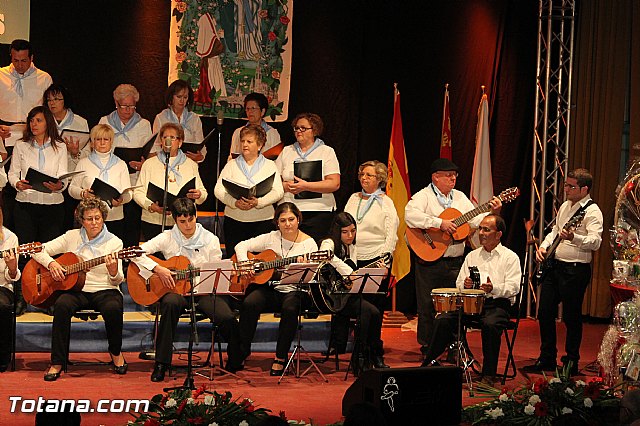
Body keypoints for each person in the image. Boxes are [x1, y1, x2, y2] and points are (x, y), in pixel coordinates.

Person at [133, 198, 243, 381]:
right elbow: (137, 253)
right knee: (169, 304)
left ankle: (235, 359)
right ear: (175, 220)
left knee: (227, 317)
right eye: (182, 221)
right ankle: (161, 363)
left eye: (191, 219)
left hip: (203, 291)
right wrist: (158, 269)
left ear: (196, 216)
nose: (188, 225)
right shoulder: (167, 237)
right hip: (176, 291)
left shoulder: (210, 239)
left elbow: (217, 270)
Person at [404, 158, 501, 358]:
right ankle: (428, 348)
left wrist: (492, 211)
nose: (453, 178)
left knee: (456, 307)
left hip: (456, 261)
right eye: (448, 175)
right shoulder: (423, 196)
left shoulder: (460, 197)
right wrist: (439, 223)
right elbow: (410, 216)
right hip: (429, 259)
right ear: (435, 177)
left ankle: (453, 347)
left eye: (454, 175)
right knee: (427, 307)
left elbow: (475, 219)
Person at [30, 198, 126, 381]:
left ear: (103, 218)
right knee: (61, 305)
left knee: (113, 307)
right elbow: (37, 250)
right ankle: (57, 361)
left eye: (98, 218)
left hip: (105, 288)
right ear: (81, 220)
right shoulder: (71, 236)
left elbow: (117, 280)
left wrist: (113, 271)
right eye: (89, 219)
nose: (94, 222)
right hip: (76, 289)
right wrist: (52, 264)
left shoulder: (115, 242)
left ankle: (116, 352)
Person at [421, 214, 521, 386]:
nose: (481, 233)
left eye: (486, 230)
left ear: (498, 234)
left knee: (490, 324)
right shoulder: (472, 256)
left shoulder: (510, 257)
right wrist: (465, 285)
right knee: (443, 318)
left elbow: (514, 287)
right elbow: (459, 283)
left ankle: (488, 374)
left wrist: (493, 288)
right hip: (470, 303)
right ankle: (428, 365)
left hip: (497, 304)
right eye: (480, 228)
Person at [522, 168, 603, 375]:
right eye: (565, 185)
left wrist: (574, 238)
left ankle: (571, 361)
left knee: (571, 316)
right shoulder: (566, 206)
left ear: (584, 189)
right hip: (556, 265)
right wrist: (543, 247)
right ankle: (547, 357)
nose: (565, 189)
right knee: (544, 312)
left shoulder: (592, 212)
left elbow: (595, 242)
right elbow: (555, 232)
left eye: (571, 186)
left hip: (575, 269)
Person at [235, 202, 318, 375]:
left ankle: (281, 356)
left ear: (298, 220)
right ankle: (241, 353)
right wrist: (244, 263)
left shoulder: (309, 244)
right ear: (277, 223)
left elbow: (313, 275)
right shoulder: (271, 237)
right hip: (271, 288)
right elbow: (241, 245)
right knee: (250, 303)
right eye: (283, 220)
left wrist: (304, 266)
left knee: (290, 308)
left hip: (296, 290)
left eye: (291, 219)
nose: (287, 224)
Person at [8, 106, 68, 315]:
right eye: (31, 120)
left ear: (48, 123)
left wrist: (59, 186)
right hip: (26, 204)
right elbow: (13, 173)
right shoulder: (21, 145)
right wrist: (18, 183)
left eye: (39, 120)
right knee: (25, 252)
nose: (34, 124)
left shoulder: (59, 146)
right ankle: (22, 297)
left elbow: (64, 176)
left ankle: (48, 298)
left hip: (52, 206)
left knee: (49, 252)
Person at [319, 212, 388, 369]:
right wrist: (349, 272)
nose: (350, 235)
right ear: (337, 231)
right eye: (345, 232)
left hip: (347, 295)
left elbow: (354, 276)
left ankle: (371, 354)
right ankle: (361, 358)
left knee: (375, 311)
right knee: (368, 312)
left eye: (353, 231)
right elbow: (326, 256)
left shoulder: (353, 247)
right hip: (332, 297)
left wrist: (376, 272)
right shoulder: (328, 243)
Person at [214, 124, 284, 257]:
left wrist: (259, 202)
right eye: (242, 141)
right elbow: (218, 190)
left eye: (249, 141)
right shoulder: (232, 164)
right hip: (235, 221)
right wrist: (234, 202)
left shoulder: (270, 165)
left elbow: (278, 191)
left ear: (260, 145)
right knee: (235, 261)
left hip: (262, 222)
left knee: (261, 263)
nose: (245, 144)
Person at [99, 83, 153, 248]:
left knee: (132, 222)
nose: (128, 110)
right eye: (124, 106)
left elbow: (149, 152)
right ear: (116, 103)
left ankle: (130, 258)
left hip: (133, 179)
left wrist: (143, 164)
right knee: (111, 222)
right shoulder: (105, 121)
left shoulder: (143, 124)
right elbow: (96, 147)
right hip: (110, 180)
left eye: (132, 106)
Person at [133, 122, 207, 241]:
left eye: (172, 137)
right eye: (165, 137)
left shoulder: (191, 165)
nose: (168, 141)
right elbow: (138, 192)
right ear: (161, 141)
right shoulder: (149, 163)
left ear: (180, 142)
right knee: (155, 258)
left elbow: (203, 193)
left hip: (183, 221)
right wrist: (151, 206)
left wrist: (198, 195)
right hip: (154, 220)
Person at [275, 113, 340, 243]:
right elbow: (274, 181)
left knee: (313, 254)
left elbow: (334, 184)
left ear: (314, 130)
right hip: (290, 211)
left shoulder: (326, 151)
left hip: (318, 212)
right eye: (296, 128)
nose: (299, 131)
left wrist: (305, 186)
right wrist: (284, 186)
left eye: (303, 128)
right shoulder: (287, 151)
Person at [69, 125, 132, 241]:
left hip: (115, 217)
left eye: (106, 139)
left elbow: (129, 194)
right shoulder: (84, 163)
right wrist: (83, 194)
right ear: (92, 142)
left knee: (113, 254)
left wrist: (121, 200)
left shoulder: (121, 164)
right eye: (98, 139)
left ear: (111, 142)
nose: (102, 143)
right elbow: (72, 188)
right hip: (90, 219)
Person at [0, 39, 53, 146]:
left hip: (33, 130)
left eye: (24, 61)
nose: (19, 65)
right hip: (4, 130)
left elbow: (50, 109)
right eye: (16, 60)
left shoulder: (44, 78)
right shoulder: (1, 75)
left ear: (31, 58)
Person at [152, 79, 206, 163]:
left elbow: (201, 146)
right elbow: (156, 146)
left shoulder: (194, 119)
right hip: (166, 164)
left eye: (185, 97)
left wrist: (199, 157)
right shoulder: (161, 118)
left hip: (189, 163)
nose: (182, 101)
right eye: (179, 97)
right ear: (171, 97)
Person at [228, 93, 282, 161]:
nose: (250, 112)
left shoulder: (272, 133)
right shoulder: (238, 132)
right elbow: (231, 157)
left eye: (253, 108)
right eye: (247, 109)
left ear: (262, 111)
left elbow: (277, 161)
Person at [0, 209, 20, 372]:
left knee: (2, 305)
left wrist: (12, 268)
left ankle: (2, 357)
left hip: (2, 286)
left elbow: (11, 277)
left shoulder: (10, 238)